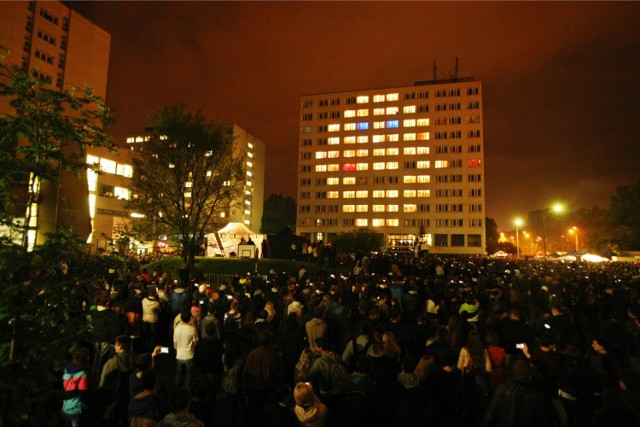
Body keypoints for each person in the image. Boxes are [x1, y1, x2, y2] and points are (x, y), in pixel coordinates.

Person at [62, 346, 90, 427]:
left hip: (66, 407)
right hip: (77, 409)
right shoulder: (82, 374)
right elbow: (83, 393)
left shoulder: (66, 369)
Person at [174, 311, 198, 390]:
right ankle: (188, 393)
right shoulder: (192, 329)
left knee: (178, 374)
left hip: (179, 355)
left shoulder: (177, 329)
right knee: (189, 375)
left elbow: (175, 344)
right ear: (190, 318)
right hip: (189, 355)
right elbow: (195, 343)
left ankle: (176, 390)